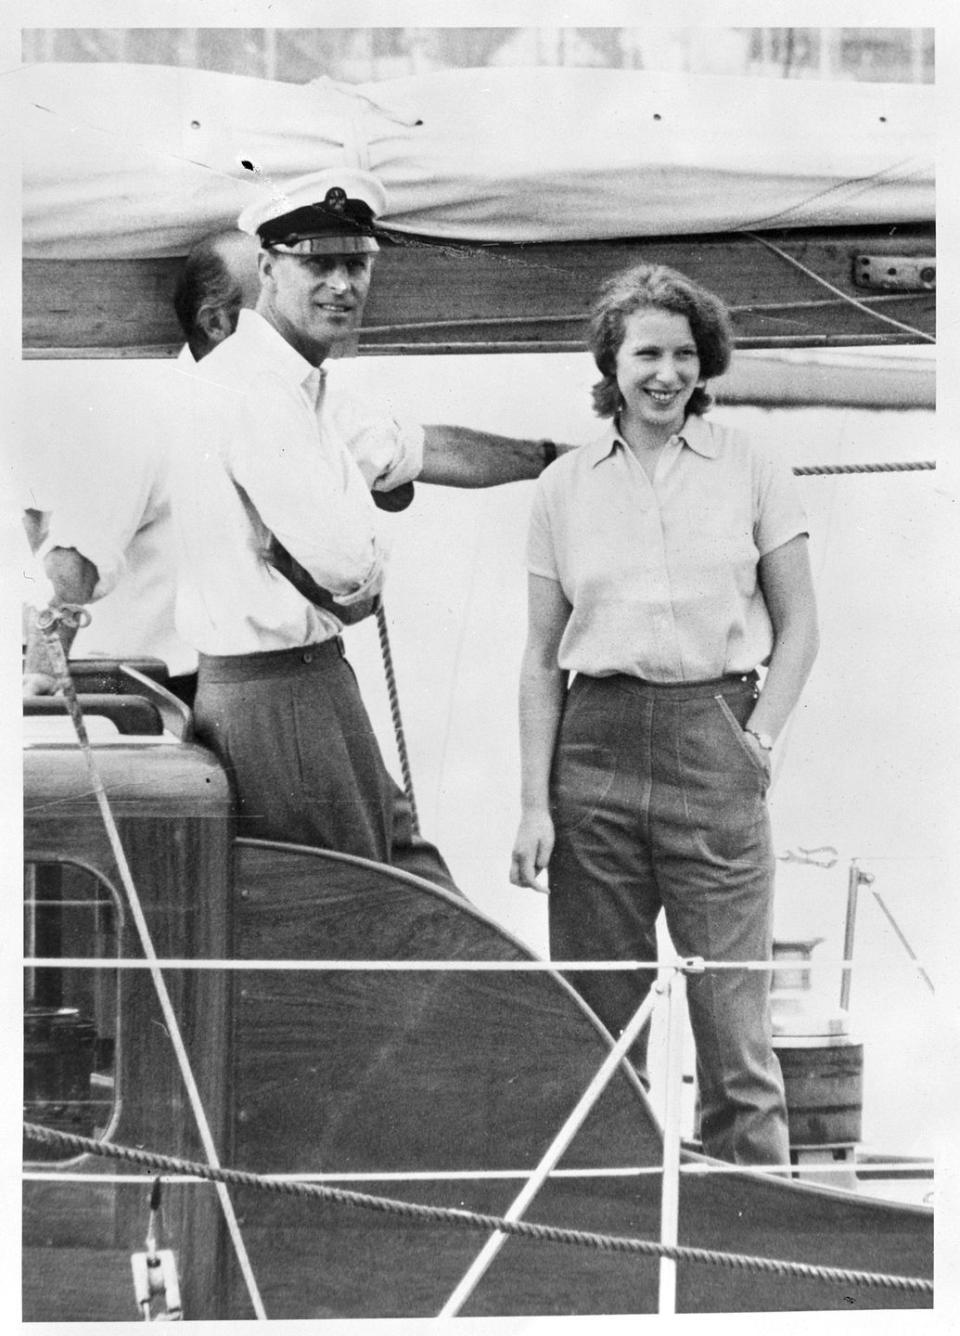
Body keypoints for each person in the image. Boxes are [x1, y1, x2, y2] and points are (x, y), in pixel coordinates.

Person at [171, 167, 567, 891]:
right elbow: (350, 568)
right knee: (353, 902)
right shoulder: (253, 392)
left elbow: (413, 453)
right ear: (268, 268)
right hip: (278, 698)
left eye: (355, 263)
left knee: (407, 879)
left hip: (306, 687)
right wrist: (367, 524)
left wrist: (558, 460)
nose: (342, 284)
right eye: (316, 263)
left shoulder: (303, 389)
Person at [509, 262, 819, 1166]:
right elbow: (537, 655)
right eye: (648, 352)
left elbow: (801, 629)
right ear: (612, 360)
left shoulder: (753, 465)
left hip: (714, 741)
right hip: (593, 751)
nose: (668, 374)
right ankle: (611, 1233)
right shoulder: (563, 488)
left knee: (735, 1033)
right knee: (600, 1025)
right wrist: (534, 803)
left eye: (686, 355)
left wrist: (755, 742)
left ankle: (751, 1248)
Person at [21, 229, 263, 705]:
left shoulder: (265, 417)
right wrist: (41, 685)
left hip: (234, 685)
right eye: (271, 311)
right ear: (215, 322)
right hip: (148, 695)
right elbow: (71, 565)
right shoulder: (148, 416)